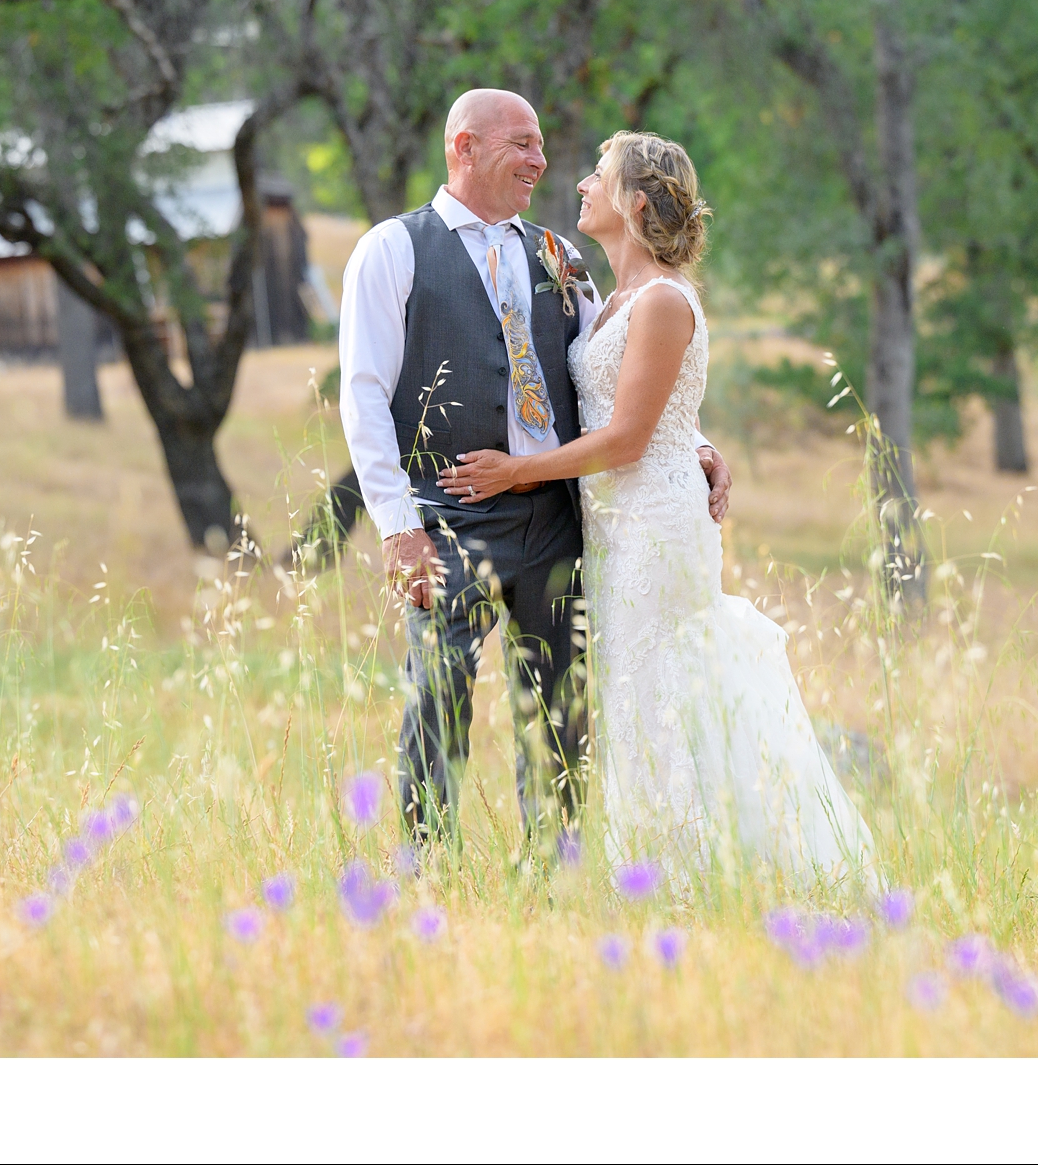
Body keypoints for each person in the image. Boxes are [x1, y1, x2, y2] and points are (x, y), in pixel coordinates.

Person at [440, 130, 875, 888]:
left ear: (634, 202)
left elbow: (632, 437)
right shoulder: (610, 298)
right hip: (614, 525)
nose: (579, 184)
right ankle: (659, 870)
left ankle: (682, 876)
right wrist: (700, 440)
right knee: (632, 693)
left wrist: (517, 473)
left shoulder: (667, 301)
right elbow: (657, 406)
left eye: (597, 176)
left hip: (656, 523)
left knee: (656, 692)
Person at [337, 89, 731, 845]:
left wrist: (694, 441)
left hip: (556, 520)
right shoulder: (391, 249)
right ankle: (425, 858)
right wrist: (397, 526)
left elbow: (623, 380)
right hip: (450, 520)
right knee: (437, 692)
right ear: (464, 148)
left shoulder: (559, 256)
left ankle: (559, 864)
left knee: (560, 706)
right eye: (521, 143)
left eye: (542, 143)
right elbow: (362, 396)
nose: (541, 160)